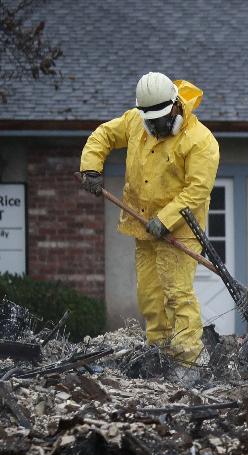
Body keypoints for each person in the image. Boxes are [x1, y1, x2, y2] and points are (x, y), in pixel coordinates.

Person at [79, 72, 219, 364]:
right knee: (151, 298)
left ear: (175, 107)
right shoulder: (135, 122)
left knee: (177, 295)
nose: (155, 126)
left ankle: (187, 360)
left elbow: (197, 191)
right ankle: (161, 355)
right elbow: (104, 134)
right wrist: (91, 167)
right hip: (142, 224)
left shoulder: (199, 141)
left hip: (179, 230)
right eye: (150, 120)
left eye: (160, 119)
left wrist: (165, 219)